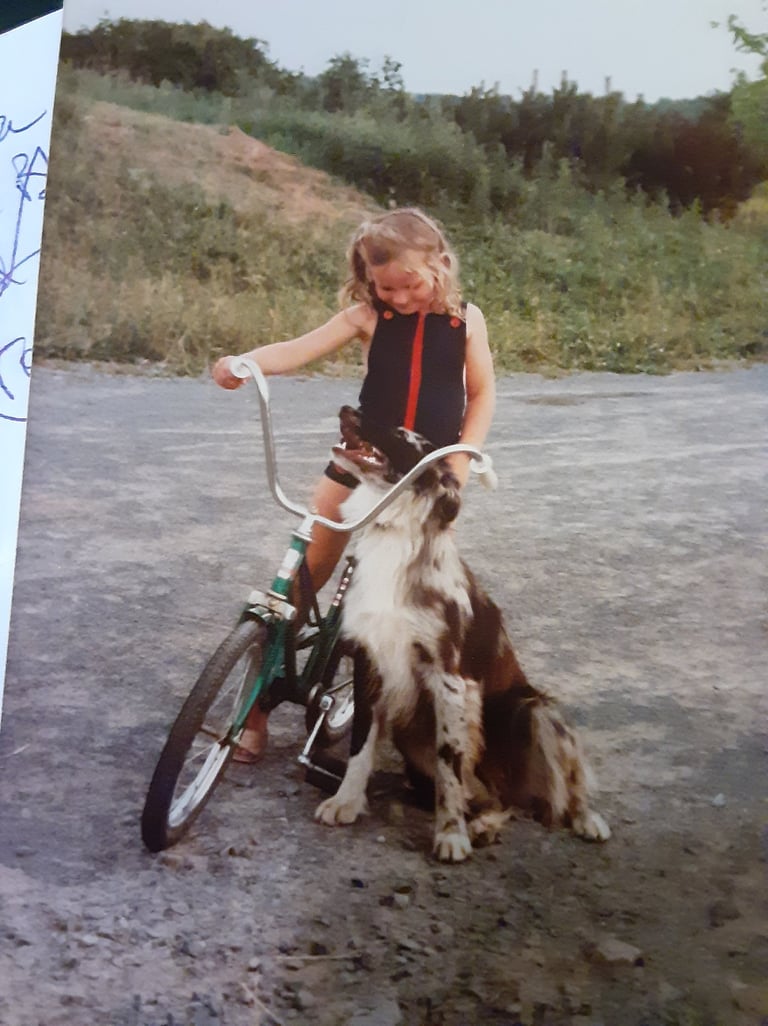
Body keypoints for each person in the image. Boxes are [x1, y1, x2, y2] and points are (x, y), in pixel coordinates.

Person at [211, 207, 496, 761]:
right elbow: (295, 349)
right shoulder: (367, 316)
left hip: (425, 480)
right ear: (369, 279)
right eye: (386, 287)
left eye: (411, 284)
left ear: (440, 265)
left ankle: (401, 709)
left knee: (411, 592)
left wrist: (461, 460)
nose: (401, 298)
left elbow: (482, 394)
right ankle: (254, 710)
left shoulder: (467, 321)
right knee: (300, 579)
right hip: (360, 465)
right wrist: (244, 363)